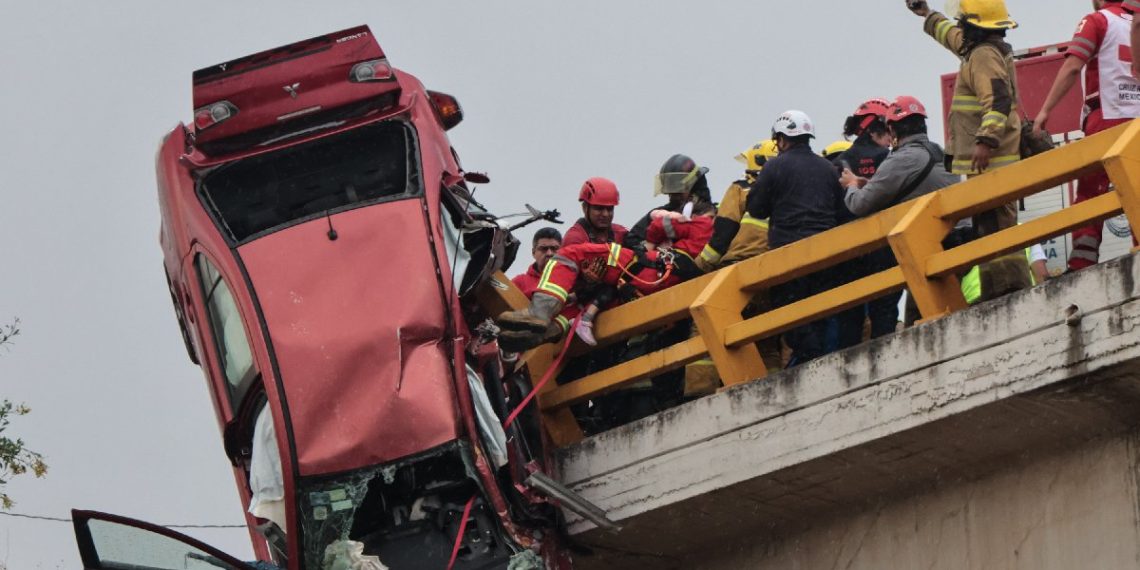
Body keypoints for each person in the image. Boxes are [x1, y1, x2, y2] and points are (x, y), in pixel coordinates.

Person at [907, 0, 1029, 299]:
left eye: (962, 21)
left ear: (974, 26)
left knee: (998, 227)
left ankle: (1010, 289)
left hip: (993, 163)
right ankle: (995, 289)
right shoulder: (978, 49)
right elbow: (953, 37)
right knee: (988, 228)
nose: (959, 25)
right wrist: (927, 14)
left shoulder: (984, 55)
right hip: (989, 166)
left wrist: (985, 140)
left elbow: (997, 101)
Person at [835, 96, 966, 345]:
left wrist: (852, 186)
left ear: (892, 129)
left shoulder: (901, 159)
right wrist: (869, 185)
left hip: (928, 254)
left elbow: (858, 205)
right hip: (952, 243)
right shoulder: (941, 154)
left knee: (916, 327)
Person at [1035, 0, 1140, 271]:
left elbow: (1072, 67)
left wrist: (1045, 110)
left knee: (1090, 192)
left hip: (1107, 116)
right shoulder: (1134, 21)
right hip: (1137, 122)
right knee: (1136, 187)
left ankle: (1083, 261)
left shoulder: (1098, 20)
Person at [745, 110, 846, 365]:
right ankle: (822, 355)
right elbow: (841, 210)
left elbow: (756, 208)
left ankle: (808, 357)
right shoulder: (828, 168)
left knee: (790, 312)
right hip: (826, 254)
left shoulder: (774, 167)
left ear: (781, 138)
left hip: (787, 255)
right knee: (823, 309)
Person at [574, 204, 715, 346]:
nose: (714, 221)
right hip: (657, 266)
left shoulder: (710, 232)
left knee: (622, 285)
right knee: (619, 279)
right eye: (711, 217)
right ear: (695, 217)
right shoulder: (704, 225)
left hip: (667, 274)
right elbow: (660, 225)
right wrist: (650, 245)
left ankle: (582, 311)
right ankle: (584, 317)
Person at [696, 141, 777, 273]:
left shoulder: (739, 189)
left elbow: (723, 234)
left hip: (740, 264)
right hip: (776, 263)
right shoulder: (788, 192)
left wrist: (698, 267)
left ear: (757, 160)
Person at [624, 154, 713, 251]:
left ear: (695, 186)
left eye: (677, 190)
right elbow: (631, 242)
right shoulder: (661, 214)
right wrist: (651, 248)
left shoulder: (718, 214)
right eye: (670, 190)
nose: (673, 195)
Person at [563, 177, 628, 247]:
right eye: (599, 208)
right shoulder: (574, 239)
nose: (605, 214)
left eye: (610, 209)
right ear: (585, 207)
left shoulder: (621, 234)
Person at [836, 99, 893, 179]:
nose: (891, 139)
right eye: (889, 131)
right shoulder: (889, 158)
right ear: (872, 130)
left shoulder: (839, 162)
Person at [511, 227, 562, 298]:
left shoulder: (572, 280)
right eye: (543, 249)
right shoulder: (519, 283)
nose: (549, 253)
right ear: (533, 252)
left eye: (554, 248)